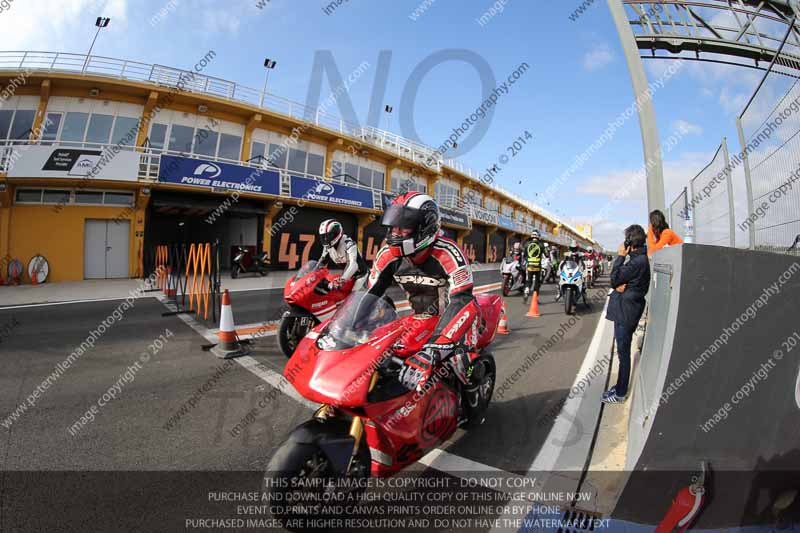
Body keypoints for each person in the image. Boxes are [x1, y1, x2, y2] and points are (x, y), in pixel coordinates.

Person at [365, 192, 476, 394]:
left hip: (455, 318)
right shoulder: (387, 254)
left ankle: (469, 402)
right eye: (393, 226)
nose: (396, 233)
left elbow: (463, 300)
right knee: (385, 363)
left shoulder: (449, 252)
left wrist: (435, 348)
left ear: (425, 227)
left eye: (404, 226)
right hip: (420, 319)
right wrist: (351, 329)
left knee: (461, 365)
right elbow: (371, 295)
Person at [602, 224, 651, 404]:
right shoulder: (640, 259)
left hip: (626, 313)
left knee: (623, 353)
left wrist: (621, 257)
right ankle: (619, 385)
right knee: (622, 352)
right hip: (627, 310)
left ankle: (621, 393)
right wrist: (619, 285)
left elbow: (614, 278)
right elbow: (618, 283)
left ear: (629, 241)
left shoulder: (636, 262)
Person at [317, 219, 368, 289]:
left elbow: (354, 265)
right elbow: (321, 263)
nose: (326, 239)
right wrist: (309, 275)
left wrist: (341, 280)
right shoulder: (327, 247)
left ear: (337, 233)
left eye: (329, 235)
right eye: (323, 237)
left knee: (351, 297)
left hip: (359, 275)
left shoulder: (349, 243)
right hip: (346, 274)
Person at [522, 230, 544, 302]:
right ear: (538, 236)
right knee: (537, 282)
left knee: (529, 281)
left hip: (530, 266)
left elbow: (524, 255)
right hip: (538, 266)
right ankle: (535, 298)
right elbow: (546, 254)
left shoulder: (527, 244)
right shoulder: (541, 244)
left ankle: (527, 290)